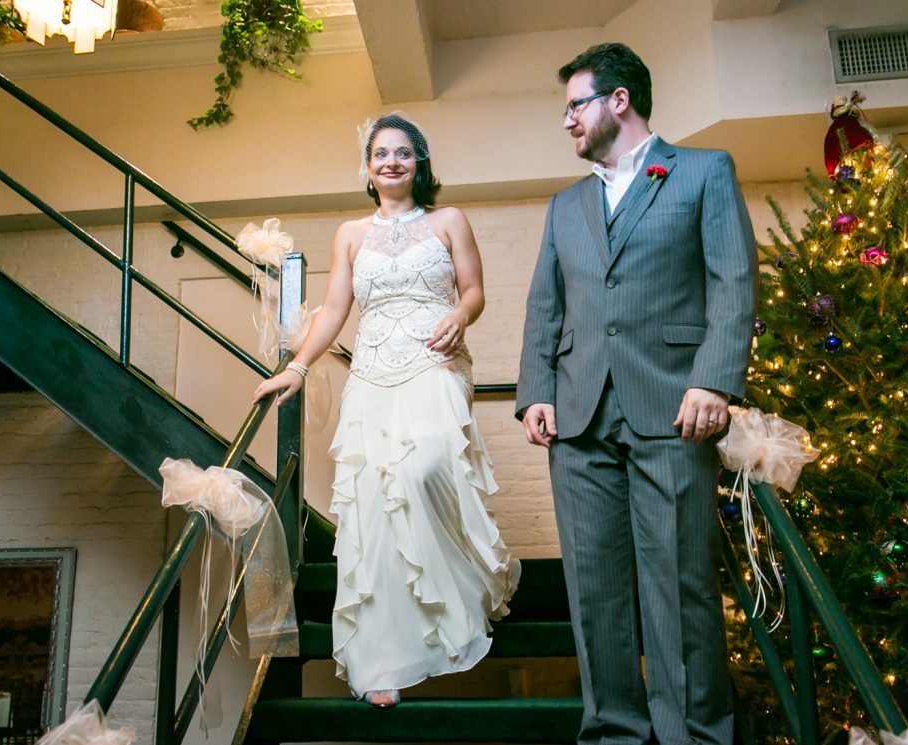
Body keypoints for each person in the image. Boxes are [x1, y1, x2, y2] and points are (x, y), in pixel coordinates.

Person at [516, 44, 757, 745]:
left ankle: (696, 737)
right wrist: (536, 390)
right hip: (579, 421)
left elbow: (733, 279)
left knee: (680, 590)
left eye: (575, 105)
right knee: (595, 593)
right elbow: (544, 307)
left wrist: (714, 378)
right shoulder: (565, 207)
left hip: (673, 411)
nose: (566, 120)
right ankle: (615, 734)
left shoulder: (704, 172)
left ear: (618, 101)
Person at [254, 112, 519, 708]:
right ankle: (383, 659)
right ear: (368, 168)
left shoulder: (449, 220)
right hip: (371, 372)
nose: (392, 161)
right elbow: (332, 310)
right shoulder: (350, 233)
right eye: (381, 153)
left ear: (419, 163)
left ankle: (462, 592)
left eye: (404, 152)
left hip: (434, 361)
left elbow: (473, 290)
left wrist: (460, 314)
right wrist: (296, 367)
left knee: (423, 470)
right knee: (373, 502)